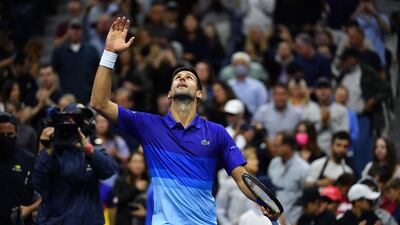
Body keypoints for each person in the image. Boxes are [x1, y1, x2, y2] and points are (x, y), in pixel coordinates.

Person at [90, 17, 280, 225]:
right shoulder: (148, 126)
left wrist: (265, 202)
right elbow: (99, 103)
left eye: (189, 77)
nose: (182, 78)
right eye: (177, 77)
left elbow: (242, 178)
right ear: (170, 93)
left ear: (199, 93)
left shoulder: (216, 133)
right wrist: (109, 53)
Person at [32, 104, 118, 225]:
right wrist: (48, 149)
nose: (76, 127)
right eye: (72, 122)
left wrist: (88, 150)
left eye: (81, 121)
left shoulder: (94, 151)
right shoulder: (52, 154)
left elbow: (109, 171)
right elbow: (38, 183)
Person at [0, 112, 40, 225]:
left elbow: (42, 196)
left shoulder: (28, 159)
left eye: (9, 134)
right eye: (1, 134)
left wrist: (28, 209)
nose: (5, 138)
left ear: (17, 133)